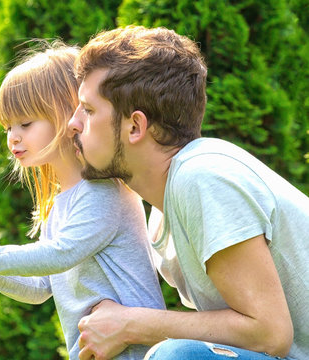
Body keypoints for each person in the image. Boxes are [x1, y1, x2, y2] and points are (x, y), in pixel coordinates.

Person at [68, 25, 309, 360]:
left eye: (89, 110)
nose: (73, 123)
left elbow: (270, 335)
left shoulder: (202, 178)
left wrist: (130, 324)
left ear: (135, 126)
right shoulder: (162, 211)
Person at [0, 41, 165, 360]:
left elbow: (60, 254)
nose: (13, 137)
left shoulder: (103, 192)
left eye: (26, 123)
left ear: (67, 113)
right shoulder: (59, 205)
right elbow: (39, 290)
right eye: (8, 126)